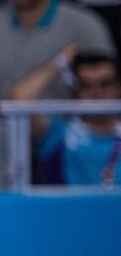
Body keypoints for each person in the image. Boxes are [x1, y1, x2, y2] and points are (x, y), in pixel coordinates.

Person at [14, 50, 121, 187]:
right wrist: (62, 60)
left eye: (105, 84)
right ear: (75, 91)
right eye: (86, 85)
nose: (97, 92)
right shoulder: (58, 134)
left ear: (119, 88)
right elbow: (21, 100)